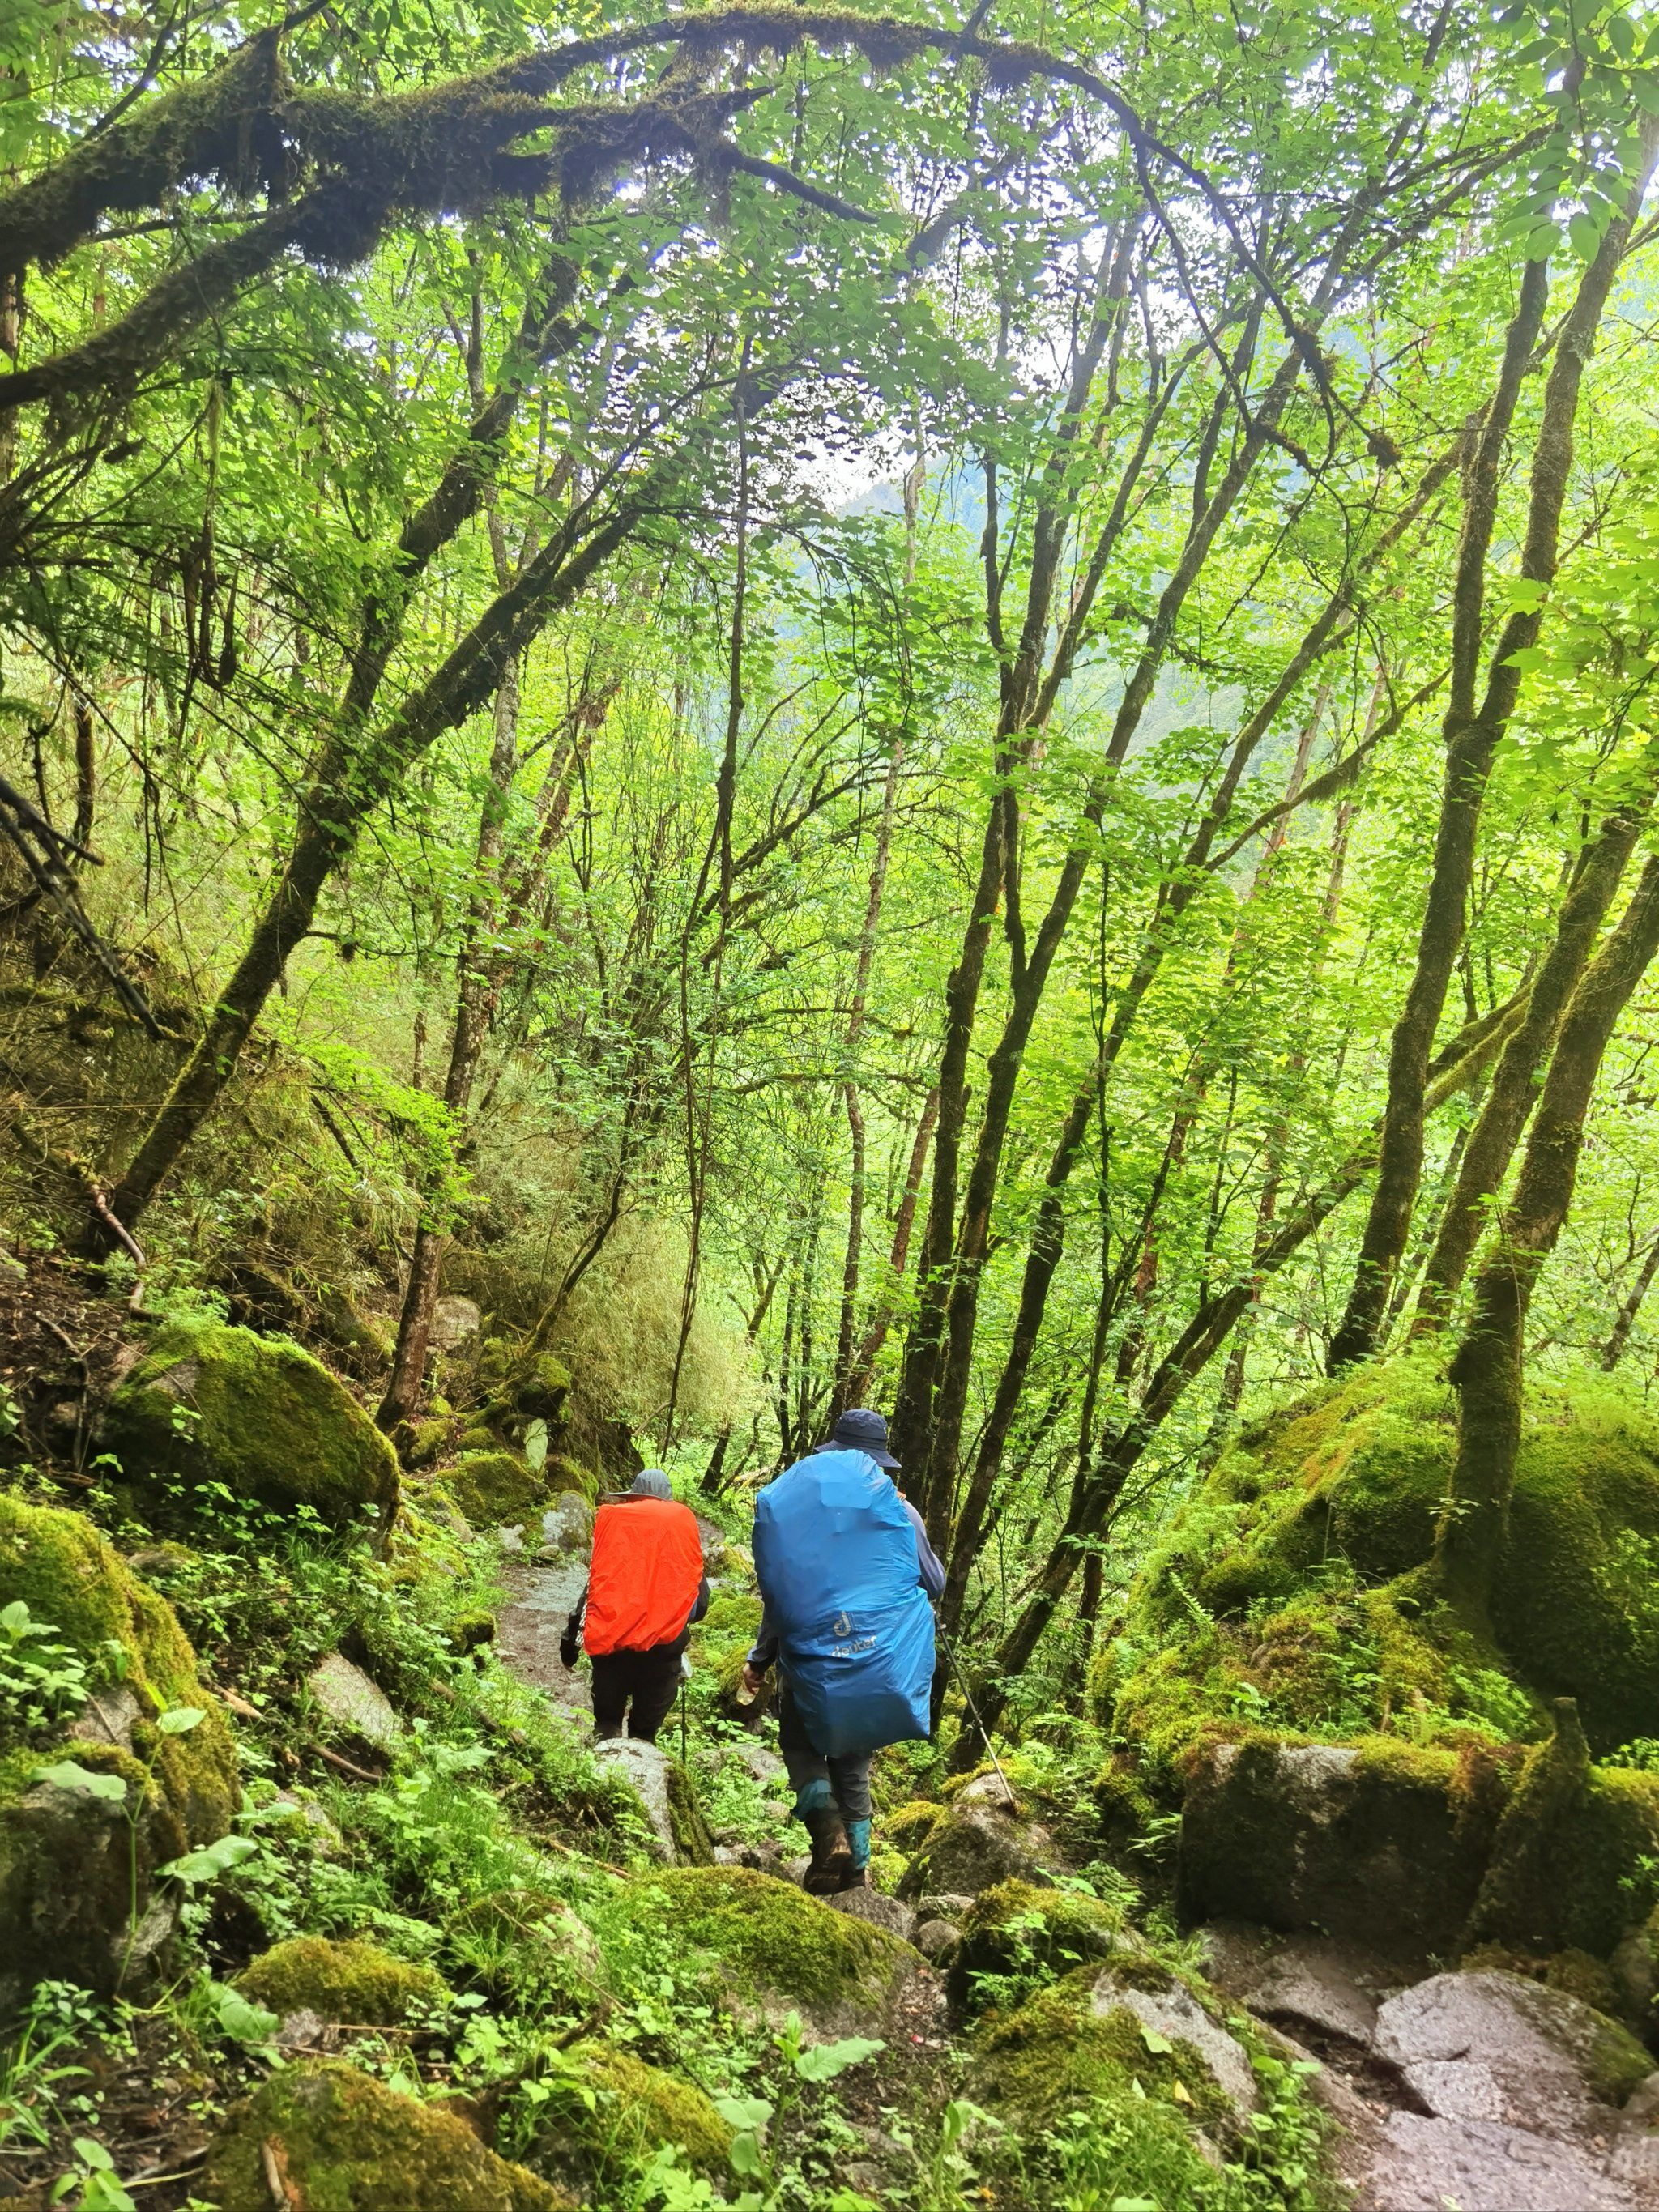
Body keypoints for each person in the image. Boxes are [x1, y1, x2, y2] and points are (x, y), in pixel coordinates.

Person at [742, 1407, 944, 1894]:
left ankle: (828, 1834)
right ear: (880, 1462)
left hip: (809, 1660)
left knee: (799, 1746)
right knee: (853, 1763)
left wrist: (760, 1658)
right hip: (874, 1660)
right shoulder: (901, 1512)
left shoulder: (802, 1518)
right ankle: (856, 1873)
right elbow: (933, 1584)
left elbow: (781, 1596)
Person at [561, 1468, 710, 1743]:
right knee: (644, 1736)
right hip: (662, 1655)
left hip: (611, 1652)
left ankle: (601, 1771)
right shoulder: (682, 1534)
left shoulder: (616, 1528)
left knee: (606, 1726)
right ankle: (643, 1772)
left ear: (632, 1498)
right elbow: (699, 1606)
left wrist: (569, 1644)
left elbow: (594, 1592)